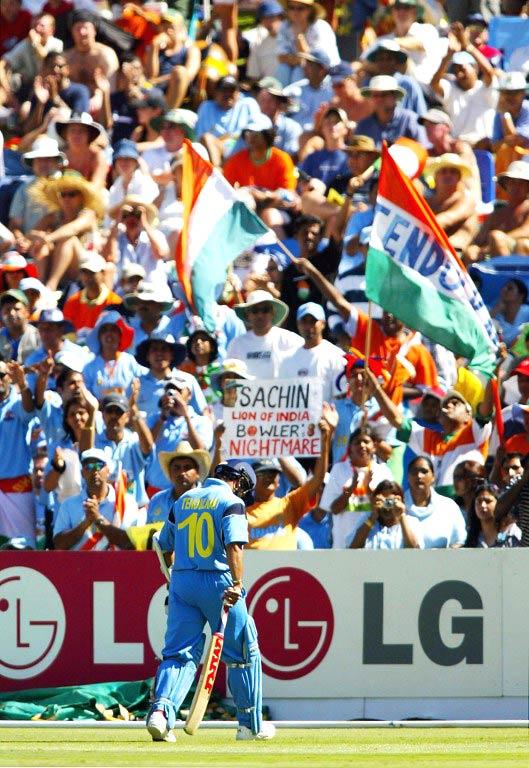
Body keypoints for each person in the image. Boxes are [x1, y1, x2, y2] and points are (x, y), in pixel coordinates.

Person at [147, 460, 276, 742]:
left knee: (179, 654)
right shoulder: (231, 502)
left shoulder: (183, 500)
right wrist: (238, 584)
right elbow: (235, 546)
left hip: (182, 582)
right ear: (239, 481)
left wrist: (175, 577)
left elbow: (162, 544)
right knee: (243, 652)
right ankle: (249, 725)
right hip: (219, 583)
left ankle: (160, 713)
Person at [245, 410, 333, 549]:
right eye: (263, 473)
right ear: (252, 481)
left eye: (273, 473)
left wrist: (324, 442)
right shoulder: (241, 513)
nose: (268, 477)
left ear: (279, 480)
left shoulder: (290, 505)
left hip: (286, 571)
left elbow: (318, 479)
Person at [53, 448, 143, 550]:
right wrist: (85, 524)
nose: (95, 470)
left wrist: (97, 518)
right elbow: (58, 544)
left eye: (99, 465)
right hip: (80, 565)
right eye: (89, 466)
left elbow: (131, 543)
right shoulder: (68, 505)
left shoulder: (127, 502)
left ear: (108, 471)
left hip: (118, 564)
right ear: (82, 473)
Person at [319, 424, 394, 548]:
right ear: (350, 447)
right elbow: (334, 509)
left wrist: (370, 491)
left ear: (374, 446)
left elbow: (389, 510)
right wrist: (349, 491)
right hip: (343, 547)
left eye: (366, 441)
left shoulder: (383, 471)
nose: (362, 446)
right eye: (357, 442)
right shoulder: (339, 469)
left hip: (375, 547)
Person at [227, 289, 303, 378]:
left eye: (265, 310)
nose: (260, 315)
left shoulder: (289, 340)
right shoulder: (237, 344)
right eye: (255, 310)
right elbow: (229, 375)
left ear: (273, 313)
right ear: (247, 314)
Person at [0, 359, 36, 545]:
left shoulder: (16, 403)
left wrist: (22, 383)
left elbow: (29, 409)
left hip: (16, 489)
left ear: (9, 377)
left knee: (21, 547)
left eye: (1, 375)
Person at [278, 302, 344, 402]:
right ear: (298, 324)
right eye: (304, 321)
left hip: (325, 416)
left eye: (313, 321)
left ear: (323, 324)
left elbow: (341, 397)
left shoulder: (337, 356)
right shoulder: (287, 359)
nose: (308, 326)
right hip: (296, 417)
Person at [464, 161, 529, 262]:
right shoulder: (497, 214)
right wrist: (473, 248)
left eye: (521, 183)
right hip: (492, 256)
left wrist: (496, 241)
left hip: (522, 257)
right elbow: (478, 239)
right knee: (470, 252)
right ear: (506, 185)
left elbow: (526, 231)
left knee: (498, 237)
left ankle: (508, 275)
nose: (516, 187)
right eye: (512, 183)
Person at [404, 456, 467, 548]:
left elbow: (459, 541)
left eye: (424, 471)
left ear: (433, 477)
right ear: (408, 477)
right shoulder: (398, 507)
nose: (419, 476)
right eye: (414, 472)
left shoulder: (449, 507)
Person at [82, 310, 145, 400]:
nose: (109, 334)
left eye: (113, 330)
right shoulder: (90, 367)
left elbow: (143, 384)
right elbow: (86, 395)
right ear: (99, 337)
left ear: (120, 336)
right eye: (104, 331)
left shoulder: (130, 361)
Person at [146, 441, 211, 524]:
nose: (182, 472)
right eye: (176, 468)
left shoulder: (208, 500)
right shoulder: (157, 500)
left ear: (197, 472)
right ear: (169, 472)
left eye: (187, 467)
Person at [349, 479, 423, 549]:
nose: (387, 507)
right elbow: (352, 549)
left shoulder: (412, 522)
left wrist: (401, 516)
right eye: (383, 501)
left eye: (389, 502)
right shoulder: (367, 519)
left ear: (400, 501)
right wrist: (372, 518)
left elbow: (415, 551)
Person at [355, 75, 426, 147]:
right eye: (375, 95)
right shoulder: (363, 125)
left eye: (384, 94)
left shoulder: (409, 120)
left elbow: (423, 150)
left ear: (394, 97)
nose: (379, 99)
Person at [426, 153, 477, 251]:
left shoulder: (467, 200)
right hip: (431, 248)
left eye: (453, 172)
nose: (448, 175)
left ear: (459, 177)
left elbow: (446, 220)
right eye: (443, 171)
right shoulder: (428, 200)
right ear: (436, 176)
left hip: (456, 255)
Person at [62, 252, 122, 335]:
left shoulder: (115, 302)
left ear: (103, 273)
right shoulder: (72, 302)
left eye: (92, 273)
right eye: (84, 272)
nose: (87, 277)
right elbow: (67, 334)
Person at [466, 481, 521, 547]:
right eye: (479, 501)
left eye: (488, 501)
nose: (483, 505)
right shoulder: (470, 535)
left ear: (499, 504)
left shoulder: (511, 532)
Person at [0, 289, 40, 363]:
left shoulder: (38, 336)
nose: (11, 313)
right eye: (7, 309)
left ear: (27, 312)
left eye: (17, 309)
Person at [491, 279, 529, 347]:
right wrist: (495, 310)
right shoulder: (494, 312)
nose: (504, 289)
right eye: (503, 287)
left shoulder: (526, 312)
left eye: (510, 288)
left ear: (521, 295)